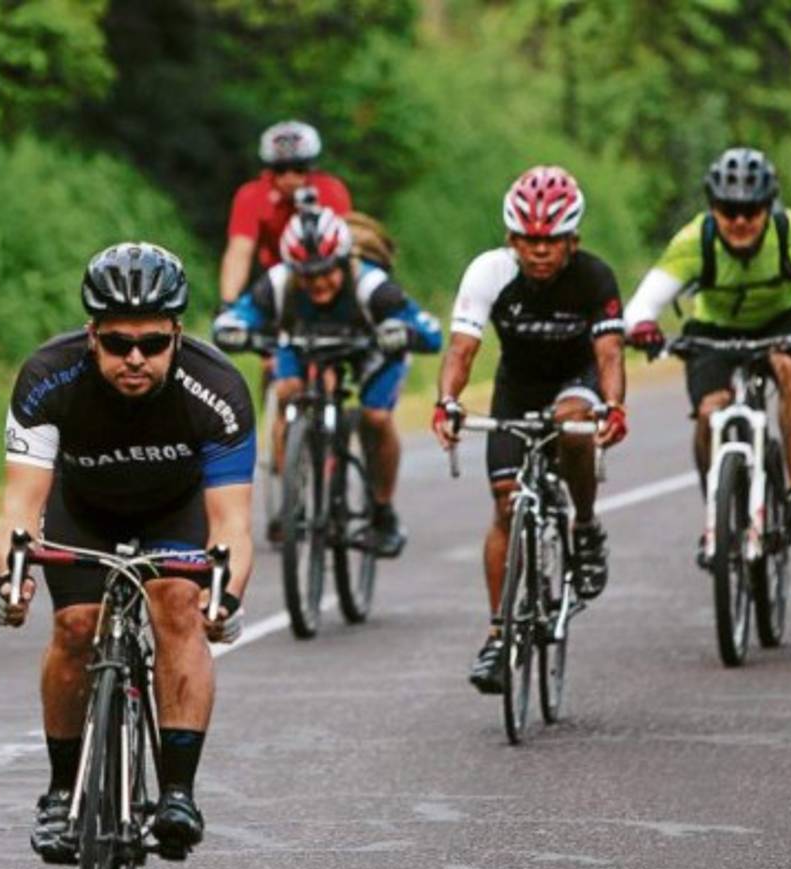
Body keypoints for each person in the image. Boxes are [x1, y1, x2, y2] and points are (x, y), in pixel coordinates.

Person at [0, 243, 256, 864]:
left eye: (153, 344)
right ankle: (61, 793)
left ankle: (178, 794)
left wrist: (227, 596)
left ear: (177, 335)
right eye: (117, 343)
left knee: (179, 605)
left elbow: (232, 524)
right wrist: (11, 579)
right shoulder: (47, 377)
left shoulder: (217, 388)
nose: (135, 358)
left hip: (174, 511)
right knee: (76, 626)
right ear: (92, 335)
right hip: (85, 512)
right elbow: (20, 507)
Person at [431, 166, 628, 695]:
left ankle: (584, 525)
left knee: (571, 426)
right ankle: (499, 635)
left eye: (552, 241)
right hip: (517, 386)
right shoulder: (489, 272)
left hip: (577, 381)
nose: (540, 251)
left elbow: (610, 354)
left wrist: (613, 406)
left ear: (572, 241)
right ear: (512, 239)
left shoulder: (595, 278)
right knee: (504, 503)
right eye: (529, 240)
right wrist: (447, 402)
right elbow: (462, 350)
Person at [625, 147, 791, 553]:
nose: (740, 221)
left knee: (790, 367)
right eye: (728, 210)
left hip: (784, 319)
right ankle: (716, 511)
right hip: (715, 330)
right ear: (713, 208)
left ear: (768, 208)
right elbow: (641, 306)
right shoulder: (694, 241)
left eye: (751, 211)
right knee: (709, 411)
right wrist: (644, 327)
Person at [213, 206, 441, 556]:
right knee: (286, 390)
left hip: (370, 349)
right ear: (293, 269)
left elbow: (432, 333)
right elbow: (237, 317)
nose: (318, 283)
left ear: (343, 261)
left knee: (376, 418)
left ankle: (383, 513)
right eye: (307, 276)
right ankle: (294, 490)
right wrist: (233, 330)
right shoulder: (278, 283)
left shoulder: (371, 286)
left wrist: (403, 333)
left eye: (326, 272)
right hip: (303, 344)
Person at [219, 120, 353, 307]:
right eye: (280, 170)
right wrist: (228, 302)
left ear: (311, 168)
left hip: (327, 277)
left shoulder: (331, 190)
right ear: (269, 170)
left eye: (298, 169)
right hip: (276, 280)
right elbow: (239, 252)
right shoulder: (252, 195)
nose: (290, 178)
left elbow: (349, 246)